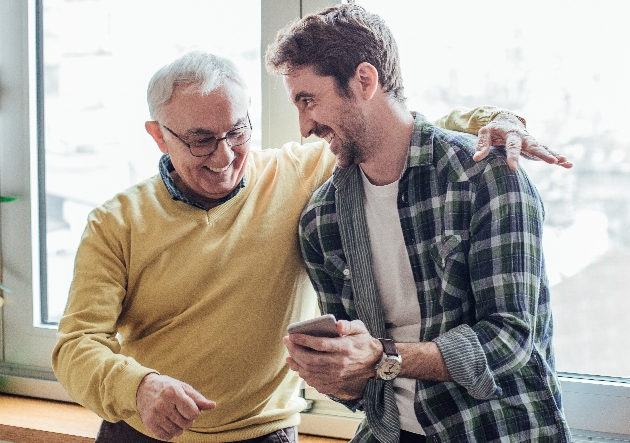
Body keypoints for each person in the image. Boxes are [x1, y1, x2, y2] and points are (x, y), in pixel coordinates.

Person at [51, 50, 561, 442]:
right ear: (158, 136)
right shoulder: (116, 222)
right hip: (143, 431)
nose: (225, 156)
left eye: (237, 131)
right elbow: (75, 346)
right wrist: (137, 388)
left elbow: (391, 126)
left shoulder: (296, 174)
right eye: (201, 139)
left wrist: (492, 120)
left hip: (265, 435)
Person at [267, 4, 571, 443]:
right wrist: (336, 369)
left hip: (493, 429)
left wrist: (381, 358)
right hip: (390, 432)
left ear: (365, 81)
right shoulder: (322, 220)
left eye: (308, 100)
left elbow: (510, 340)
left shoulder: (484, 177)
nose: (304, 125)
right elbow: (362, 388)